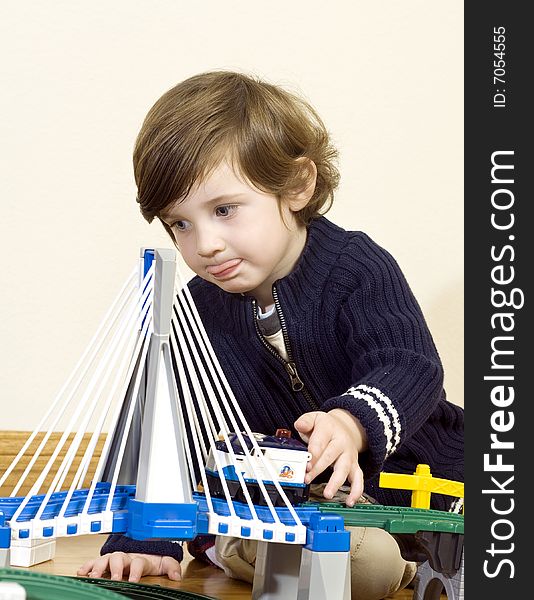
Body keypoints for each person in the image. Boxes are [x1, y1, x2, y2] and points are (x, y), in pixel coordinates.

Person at [78, 70, 464, 599]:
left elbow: (411, 364)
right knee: (360, 564)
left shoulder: (356, 268)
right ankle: (249, 547)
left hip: (426, 477)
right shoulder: (194, 310)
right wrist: (144, 538)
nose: (205, 243)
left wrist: (352, 423)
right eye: (180, 224)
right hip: (304, 505)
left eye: (224, 210)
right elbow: (165, 431)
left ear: (297, 185)